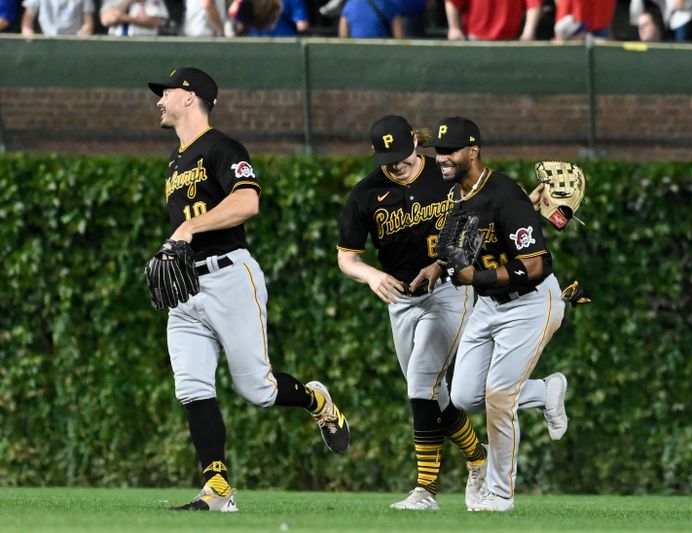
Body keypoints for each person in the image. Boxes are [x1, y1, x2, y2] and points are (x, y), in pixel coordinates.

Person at [147, 67, 350, 512]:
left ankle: (317, 400)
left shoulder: (223, 147)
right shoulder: (175, 162)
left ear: (188, 96)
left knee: (257, 390)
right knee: (192, 387)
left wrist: (188, 227)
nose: (158, 100)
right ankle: (217, 489)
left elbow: (247, 201)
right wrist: (176, 244)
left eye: (165, 92)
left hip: (229, 277)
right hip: (187, 286)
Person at [336, 115, 488, 511]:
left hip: (449, 291)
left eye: (403, 153)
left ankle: (425, 491)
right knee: (432, 396)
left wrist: (447, 264)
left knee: (421, 383)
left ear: (416, 145)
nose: (397, 162)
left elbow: (480, 216)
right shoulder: (365, 194)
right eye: (388, 156)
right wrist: (370, 276)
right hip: (401, 300)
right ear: (375, 153)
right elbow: (346, 258)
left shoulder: (446, 175)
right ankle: (479, 458)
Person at [426, 116, 568, 512]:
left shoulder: (505, 194)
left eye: (450, 150)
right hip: (490, 304)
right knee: (464, 395)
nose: (442, 158)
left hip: (531, 302)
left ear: (474, 151)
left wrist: (477, 275)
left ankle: (500, 494)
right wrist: (440, 267)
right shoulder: (461, 195)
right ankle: (545, 391)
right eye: (439, 151)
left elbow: (537, 265)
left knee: (499, 398)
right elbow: (461, 252)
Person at [444, 0, 542, 41]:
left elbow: (534, 4)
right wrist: (454, 28)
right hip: (475, 40)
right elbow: (452, 2)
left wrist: (528, 32)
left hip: (510, 41)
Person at [21, 0, 94, 36]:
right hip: (46, 41)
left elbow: (88, 20)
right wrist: (27, 30)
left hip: (74, 42)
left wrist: (85, 32)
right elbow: (29, 15)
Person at [100, 0, 169, 36]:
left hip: (145, 41)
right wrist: (129, 1)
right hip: (117, 41)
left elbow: (157, 21)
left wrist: (125, 18)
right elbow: (106, 20)